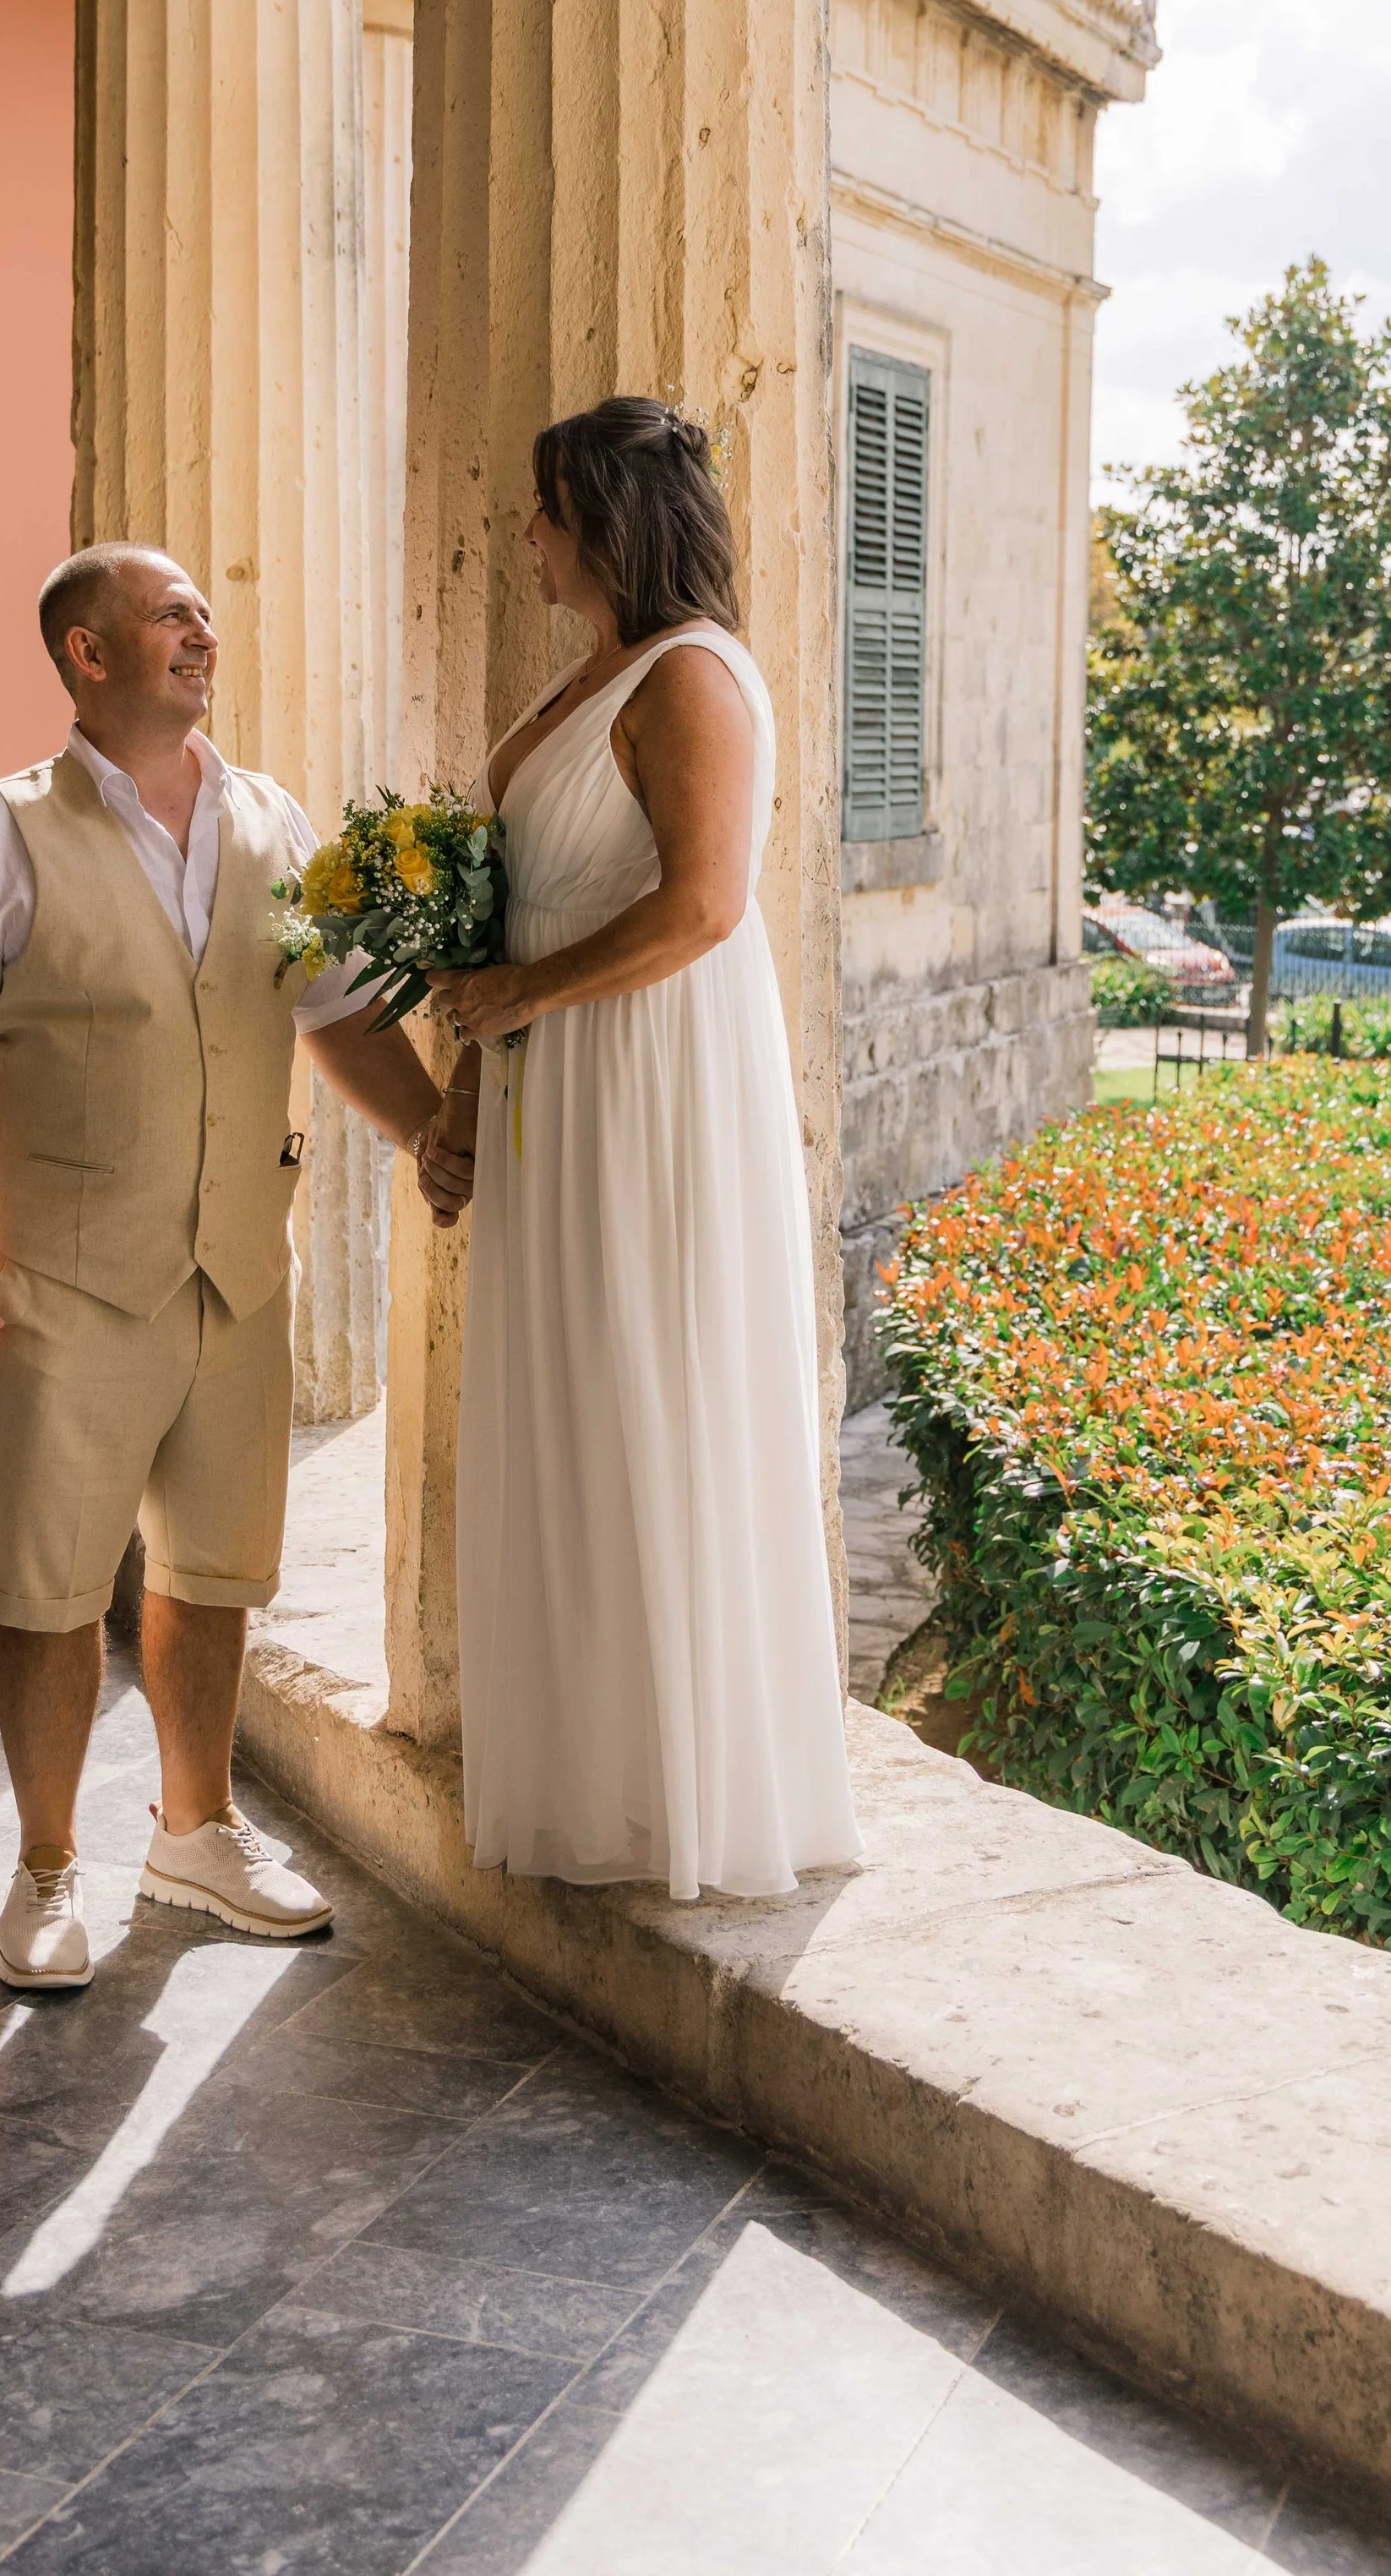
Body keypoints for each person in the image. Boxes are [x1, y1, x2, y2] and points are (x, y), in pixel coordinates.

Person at [0, 544, 457, 1990]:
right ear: (86, 653)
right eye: (170, 613)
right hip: (63, 1282)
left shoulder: (274, 821)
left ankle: (194, 1831)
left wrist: (437, 1130)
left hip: (237, 1274)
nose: (204, 630)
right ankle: (46, 1869)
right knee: (51, 1585)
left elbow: (336, 1016)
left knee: (212, 1572)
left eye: (206, 612)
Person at [421, 398, 861, 1904]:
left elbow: (705, 906)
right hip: (556, 1088)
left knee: (656, 1393)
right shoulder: (583, 678)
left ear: (604, 519)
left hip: (654, 1092)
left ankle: (692, 1787)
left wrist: (518, 1000)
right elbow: (511, 908)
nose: (525, 538)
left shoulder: (691, 683)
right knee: (576, 1404)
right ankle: (596, 1776)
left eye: (544, 510)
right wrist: (467, 1097)